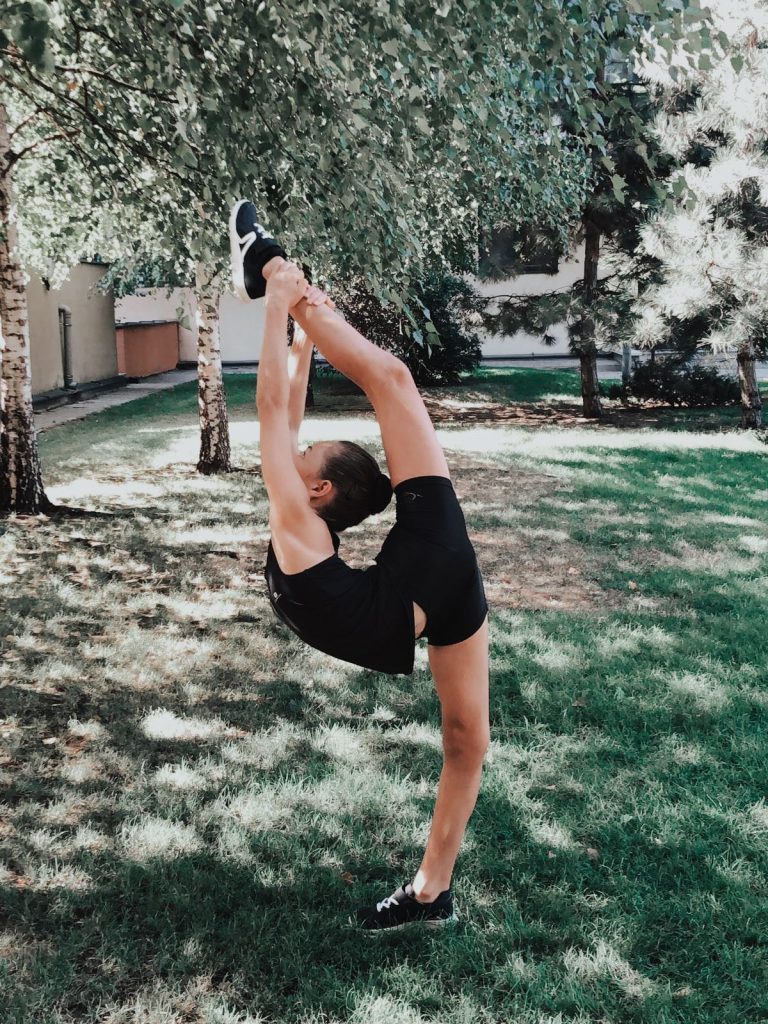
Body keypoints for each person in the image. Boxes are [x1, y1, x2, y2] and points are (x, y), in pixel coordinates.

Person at [230, 200, 490, 931]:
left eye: (306, 456)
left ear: (317, 489)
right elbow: (281, 415)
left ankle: (431, 894)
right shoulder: (300, 521)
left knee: (468, 741)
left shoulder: (299, 521)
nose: (295, 447)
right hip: (428, 575)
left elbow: (278, 406)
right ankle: (270, 265)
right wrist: (290, 311)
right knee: (393, 381)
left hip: (425, 583)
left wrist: (294, 317)